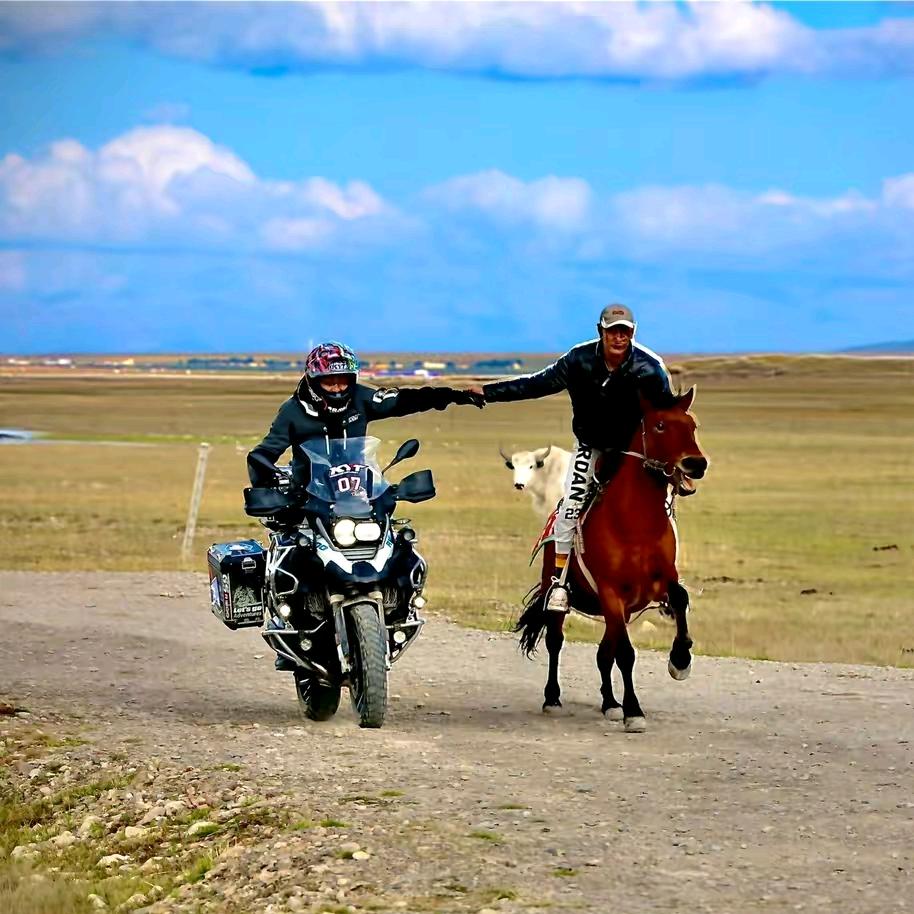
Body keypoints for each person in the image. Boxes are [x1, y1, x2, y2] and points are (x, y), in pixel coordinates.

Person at [469, 304, 675, 613]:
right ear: (600, 331)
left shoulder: (649, 368)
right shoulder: (578, 360)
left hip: (634, 453)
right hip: (590, 447)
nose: (619, 338)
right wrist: (489, 392)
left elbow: (667, 417)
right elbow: (536, 384)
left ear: (633, 333)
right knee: (570, 508)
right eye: (612, 331)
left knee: (663, 509)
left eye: (625, 332)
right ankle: (559, 584)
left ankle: (669, 582)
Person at [248, 341, 484, 487]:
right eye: (330, 383)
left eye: (344, 382)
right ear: (313, 381)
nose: (338, 389)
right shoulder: (293, 410)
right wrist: (266, 490)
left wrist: (453, 395)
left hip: (357, 493)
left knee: (400, 545)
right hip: (307, 494)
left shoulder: (362, 398)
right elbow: (265, 453)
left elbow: (405, 400)